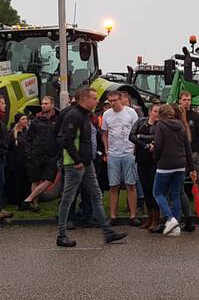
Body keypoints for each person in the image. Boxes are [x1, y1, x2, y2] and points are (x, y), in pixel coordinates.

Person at [55, 88, 127, 247]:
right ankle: (62, 234)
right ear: (85, 100)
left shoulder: (86, 115)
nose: (97, 101)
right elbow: (66, 139)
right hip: (75, 164)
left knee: (96, 194)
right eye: (94, 98)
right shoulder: (74, 115)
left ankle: (108, 232)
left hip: (87, 163)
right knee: (68, 198)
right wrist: (77, 160)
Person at [152, 104, 194, 236]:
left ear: (161, 114)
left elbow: (158, 145)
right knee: (175, 194)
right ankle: (176, 226)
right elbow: (187, 147)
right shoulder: (181, 125)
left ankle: (170, 218)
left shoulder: (160, 125)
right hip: (180, 163)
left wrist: (156, 158)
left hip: (165, 163)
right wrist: (191, 167)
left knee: (158, 192)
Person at [102, 91, 140, 226]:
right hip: (113, 154)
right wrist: (107, 151)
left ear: (121, 100)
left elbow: (137, 131)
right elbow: (105, 134)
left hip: (128, 152)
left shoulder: (131, 113)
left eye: (115, 100)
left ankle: (133, 215)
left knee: (131, 184)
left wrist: (135, 149)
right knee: (113, 185)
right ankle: (113, 215)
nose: (112, 103)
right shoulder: (107, 114)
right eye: (110, 101)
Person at [22, 96, 59, 212]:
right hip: (37, 154)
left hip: (51, 154)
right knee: (35, 179)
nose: (43, 105)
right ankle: (34, 205)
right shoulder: (36, 120)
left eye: (46, 103)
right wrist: (29, 153)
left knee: (49, 179)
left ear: (52, 104)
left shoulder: (58, 118)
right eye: (42, 103)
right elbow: (29, 138)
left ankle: (29, 198)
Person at [178, 90, 199, 233]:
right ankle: (181, 210)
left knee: (197, 181)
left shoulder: (196, 117)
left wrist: (195, 149)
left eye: (189, 100)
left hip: (194, 153)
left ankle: (198, 207)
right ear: (180, 101)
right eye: (184, 100)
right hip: (180, 154)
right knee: (179, 183)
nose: (187, 102)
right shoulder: (177, 117)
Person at [130, 102, 160, 230]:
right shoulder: (140, 121)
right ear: (150, 112)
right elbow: (131, 136)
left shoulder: (160, 125)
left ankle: (157, 219)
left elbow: (157, 137)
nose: (157, 114)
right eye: (155, 111)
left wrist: (141, 136)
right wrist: (145, 145)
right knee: (145, 189)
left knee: (153, 190)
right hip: (141, 159)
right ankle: (149, 217)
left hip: (154, 161)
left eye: (159, 112)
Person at [5, 113, 29, 206]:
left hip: (26, 161)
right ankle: (14, 199)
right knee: (16, 181)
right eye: (23, 119)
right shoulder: (12, 134)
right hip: (15, 162)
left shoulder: (28, 132)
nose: (25, 121)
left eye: (26, 119)